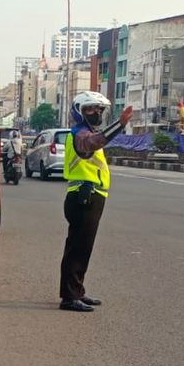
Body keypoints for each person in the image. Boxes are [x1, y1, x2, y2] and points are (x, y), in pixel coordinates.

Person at [58, 92, 133, 312]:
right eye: (91, 109)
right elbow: (94, 142)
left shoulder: (85, 132)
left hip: (90, 196)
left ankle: (76, 292)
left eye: (99, 110)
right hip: (84, 196)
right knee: (78, 249)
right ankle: (69, 298)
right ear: (80, 112)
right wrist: (119, 125)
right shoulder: (79, 134)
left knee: (83, 248)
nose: (96, 113)